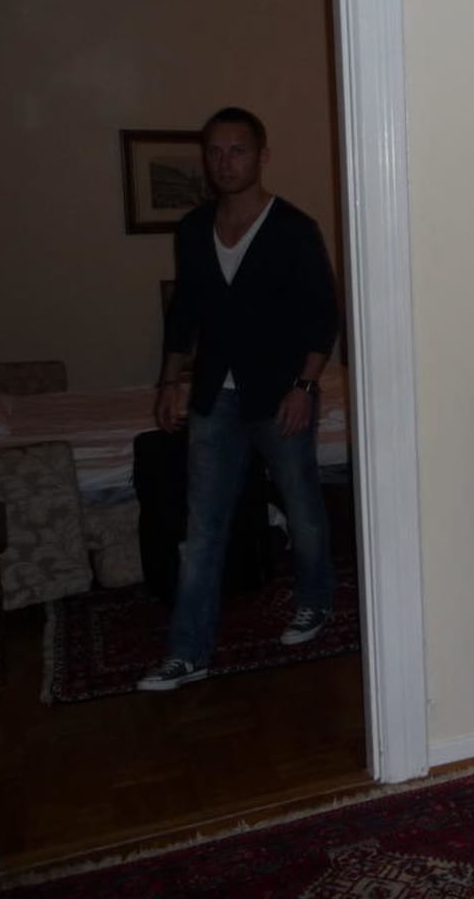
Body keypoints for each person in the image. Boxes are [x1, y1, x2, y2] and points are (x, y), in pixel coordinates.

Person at [138, 106, 339, 692]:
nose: (226, 163)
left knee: (302, 510)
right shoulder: (193, 228)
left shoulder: (293, 228)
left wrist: (305, 387)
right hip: (213, 398)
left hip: (280, 395)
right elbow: (185, 313)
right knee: (202, 527)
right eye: (216, 152)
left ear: (262, 156)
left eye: (238, 151)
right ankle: (188, 651)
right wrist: (169, 381)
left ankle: (315, 601)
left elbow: (322, 315)